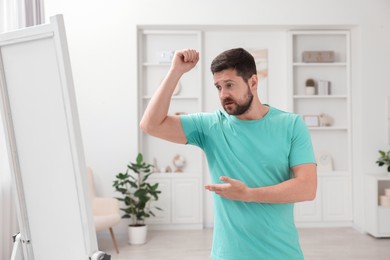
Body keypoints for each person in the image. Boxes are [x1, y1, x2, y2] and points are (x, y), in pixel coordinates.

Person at [140, 48, 317, 260]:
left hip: (282, 253)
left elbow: (307, 187)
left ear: (253, 82)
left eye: (230, 85)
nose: (223, 95)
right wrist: (175, 72)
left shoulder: (291, 125)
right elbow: (150, 125)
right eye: (218, 87)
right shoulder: (210, 127)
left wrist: (249, 194)